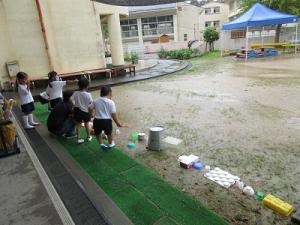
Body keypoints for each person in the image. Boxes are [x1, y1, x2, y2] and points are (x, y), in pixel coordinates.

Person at [71, 77, 93, 144]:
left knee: (78, 125)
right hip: (85, 111)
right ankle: (88, 137)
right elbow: (90, 104)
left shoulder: (75, 93)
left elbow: (71, 99)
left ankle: (78, 138)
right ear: (87, 86)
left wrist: (74, 105)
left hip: (77, 110)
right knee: (87, 124)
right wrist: (91, 113)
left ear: (79, 85)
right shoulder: (88, 94)